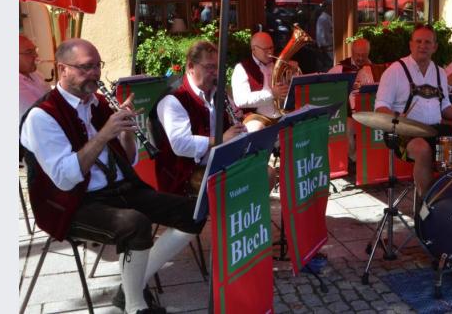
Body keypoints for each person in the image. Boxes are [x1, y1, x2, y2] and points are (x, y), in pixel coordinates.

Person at [20, 39, 202, 314]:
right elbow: (65, 179)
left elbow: (127, 159)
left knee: (194, 211)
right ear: (62, 69)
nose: (93, 73)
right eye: (85, 67)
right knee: (135, 224)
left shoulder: (96, 104)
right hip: (73, 202)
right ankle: (135, 306)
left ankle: (129, 289)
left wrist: (126, 130)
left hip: (118, 189)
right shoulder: (42, 117)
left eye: (97, 66)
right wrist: (105, 132)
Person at [375, 26, 452, 197]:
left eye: (427, 42)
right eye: (418, 41)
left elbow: (445, 107)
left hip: (434, 129)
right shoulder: (395, 71)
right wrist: (396, 117)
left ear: (435, 47)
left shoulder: (440, 73)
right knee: (423, 149)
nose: (422, 46)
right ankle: (428, 204)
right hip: (403, 132)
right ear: (410, 45)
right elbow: (380, 107)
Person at [152, 41, 250, 196]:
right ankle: (232, 218)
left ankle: (245, 217)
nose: (216, 73)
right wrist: (220, 139)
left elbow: (234, 126)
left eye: (217, 67)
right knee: (235, 186)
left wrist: (238, 125)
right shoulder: (174, 99)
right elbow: (180, 144)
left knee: (265, 173)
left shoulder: (218, 92)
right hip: (185, 175)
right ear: (191, 67)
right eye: (210, 67)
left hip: (217, 163)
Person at [231, 32, 288, 132]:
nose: (270, 52)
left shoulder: (278, 65)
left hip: (281, 114)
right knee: (255, 129)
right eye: (266, 49)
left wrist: (292, 76)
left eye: (271, 48)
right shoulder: (241, 68)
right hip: (257, 117)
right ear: (254, 49)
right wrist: (271, 94)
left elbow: (286, 91)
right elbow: (240, 100)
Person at [19, 35, 50, 120]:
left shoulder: (35, 73)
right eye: (29, 52)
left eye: (35, 50)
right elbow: (39, 115)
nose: (36, 55)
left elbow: (50, 96)